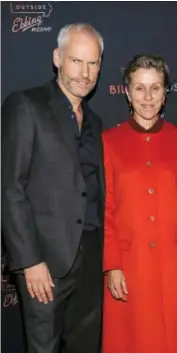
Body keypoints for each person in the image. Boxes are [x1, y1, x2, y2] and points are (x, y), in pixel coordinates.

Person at [2, 23, 105, 353]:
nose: (85, 73)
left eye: (93, 64)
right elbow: (10, 188)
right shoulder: (26, 106)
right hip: (44, 262)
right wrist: (29, 261)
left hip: (91, 258)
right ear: (57, 58)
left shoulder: (95, 121)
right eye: (77, 61)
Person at [102, 54, 177, 353]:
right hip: (129, 267)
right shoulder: (109, 141)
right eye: (140, 88)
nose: (147, 97)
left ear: (166, 93)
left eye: (155, 88)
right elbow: (106, 208)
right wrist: (112, 264)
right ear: (127, 92)